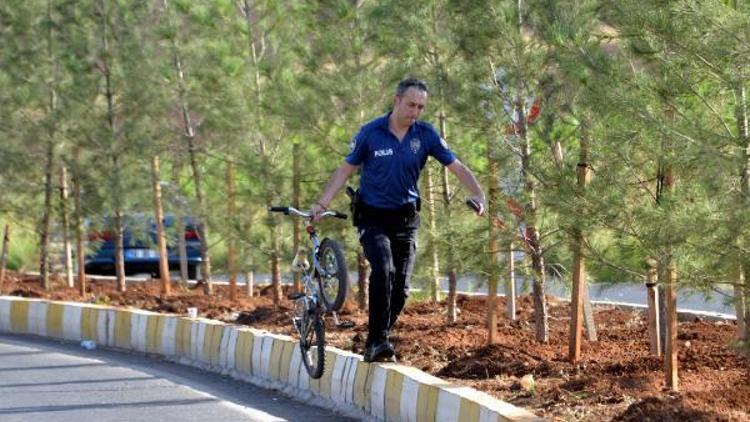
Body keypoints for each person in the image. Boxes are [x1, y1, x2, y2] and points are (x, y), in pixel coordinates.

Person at [311, 78, 486, 362]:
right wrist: (321, 203)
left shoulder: (425, 135)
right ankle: (378, 342)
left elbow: (456, 166)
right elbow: (344, 170)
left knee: (401, 288)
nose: (415, 111)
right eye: (411, 104)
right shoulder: (371, 133)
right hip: (372, 216)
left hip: (405, 219)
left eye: (420, 107)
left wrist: (478, 193)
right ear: (397, 101)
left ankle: (376, 336)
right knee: (383, 269)